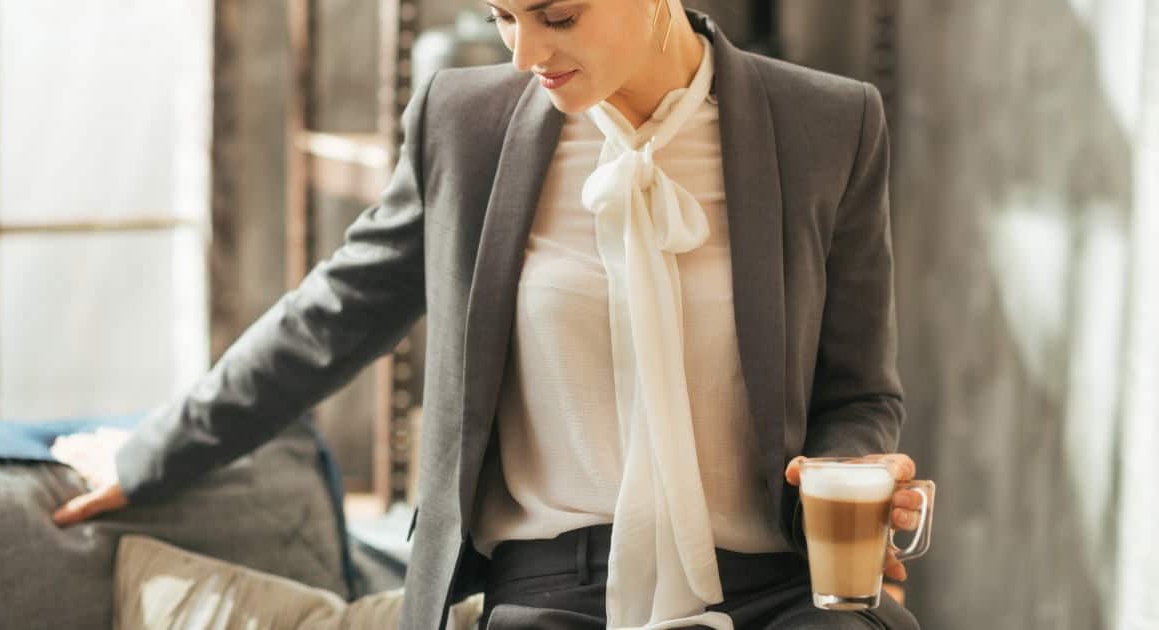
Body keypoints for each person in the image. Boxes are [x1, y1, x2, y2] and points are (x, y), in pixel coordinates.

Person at [54, 1, 927, 628]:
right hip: (553, 588)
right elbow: (334, 314)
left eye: (557, 16)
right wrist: (152, 452)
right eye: (503, 16)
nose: (523, 55)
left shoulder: (828, 125)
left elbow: (858, 393)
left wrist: (849, 474)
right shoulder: (465, 126)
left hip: (776, 586)